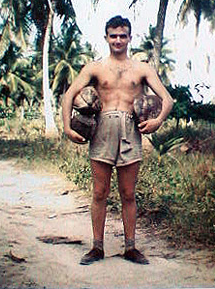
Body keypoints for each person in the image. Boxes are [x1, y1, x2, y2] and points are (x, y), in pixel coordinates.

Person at [62, 15, 174, 265]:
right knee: (99, 192)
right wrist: (68, 128)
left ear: (130, 38)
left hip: (130, 129)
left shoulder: (142, 68)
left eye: (123, 35)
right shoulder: (95, 68)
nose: (118, 40)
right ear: (106, 38)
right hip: (102, 128)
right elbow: (69, 94)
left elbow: (167, 99)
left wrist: (158, 121)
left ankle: (131, 248)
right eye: (113, 35)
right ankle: (97, 247)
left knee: (128, 193)